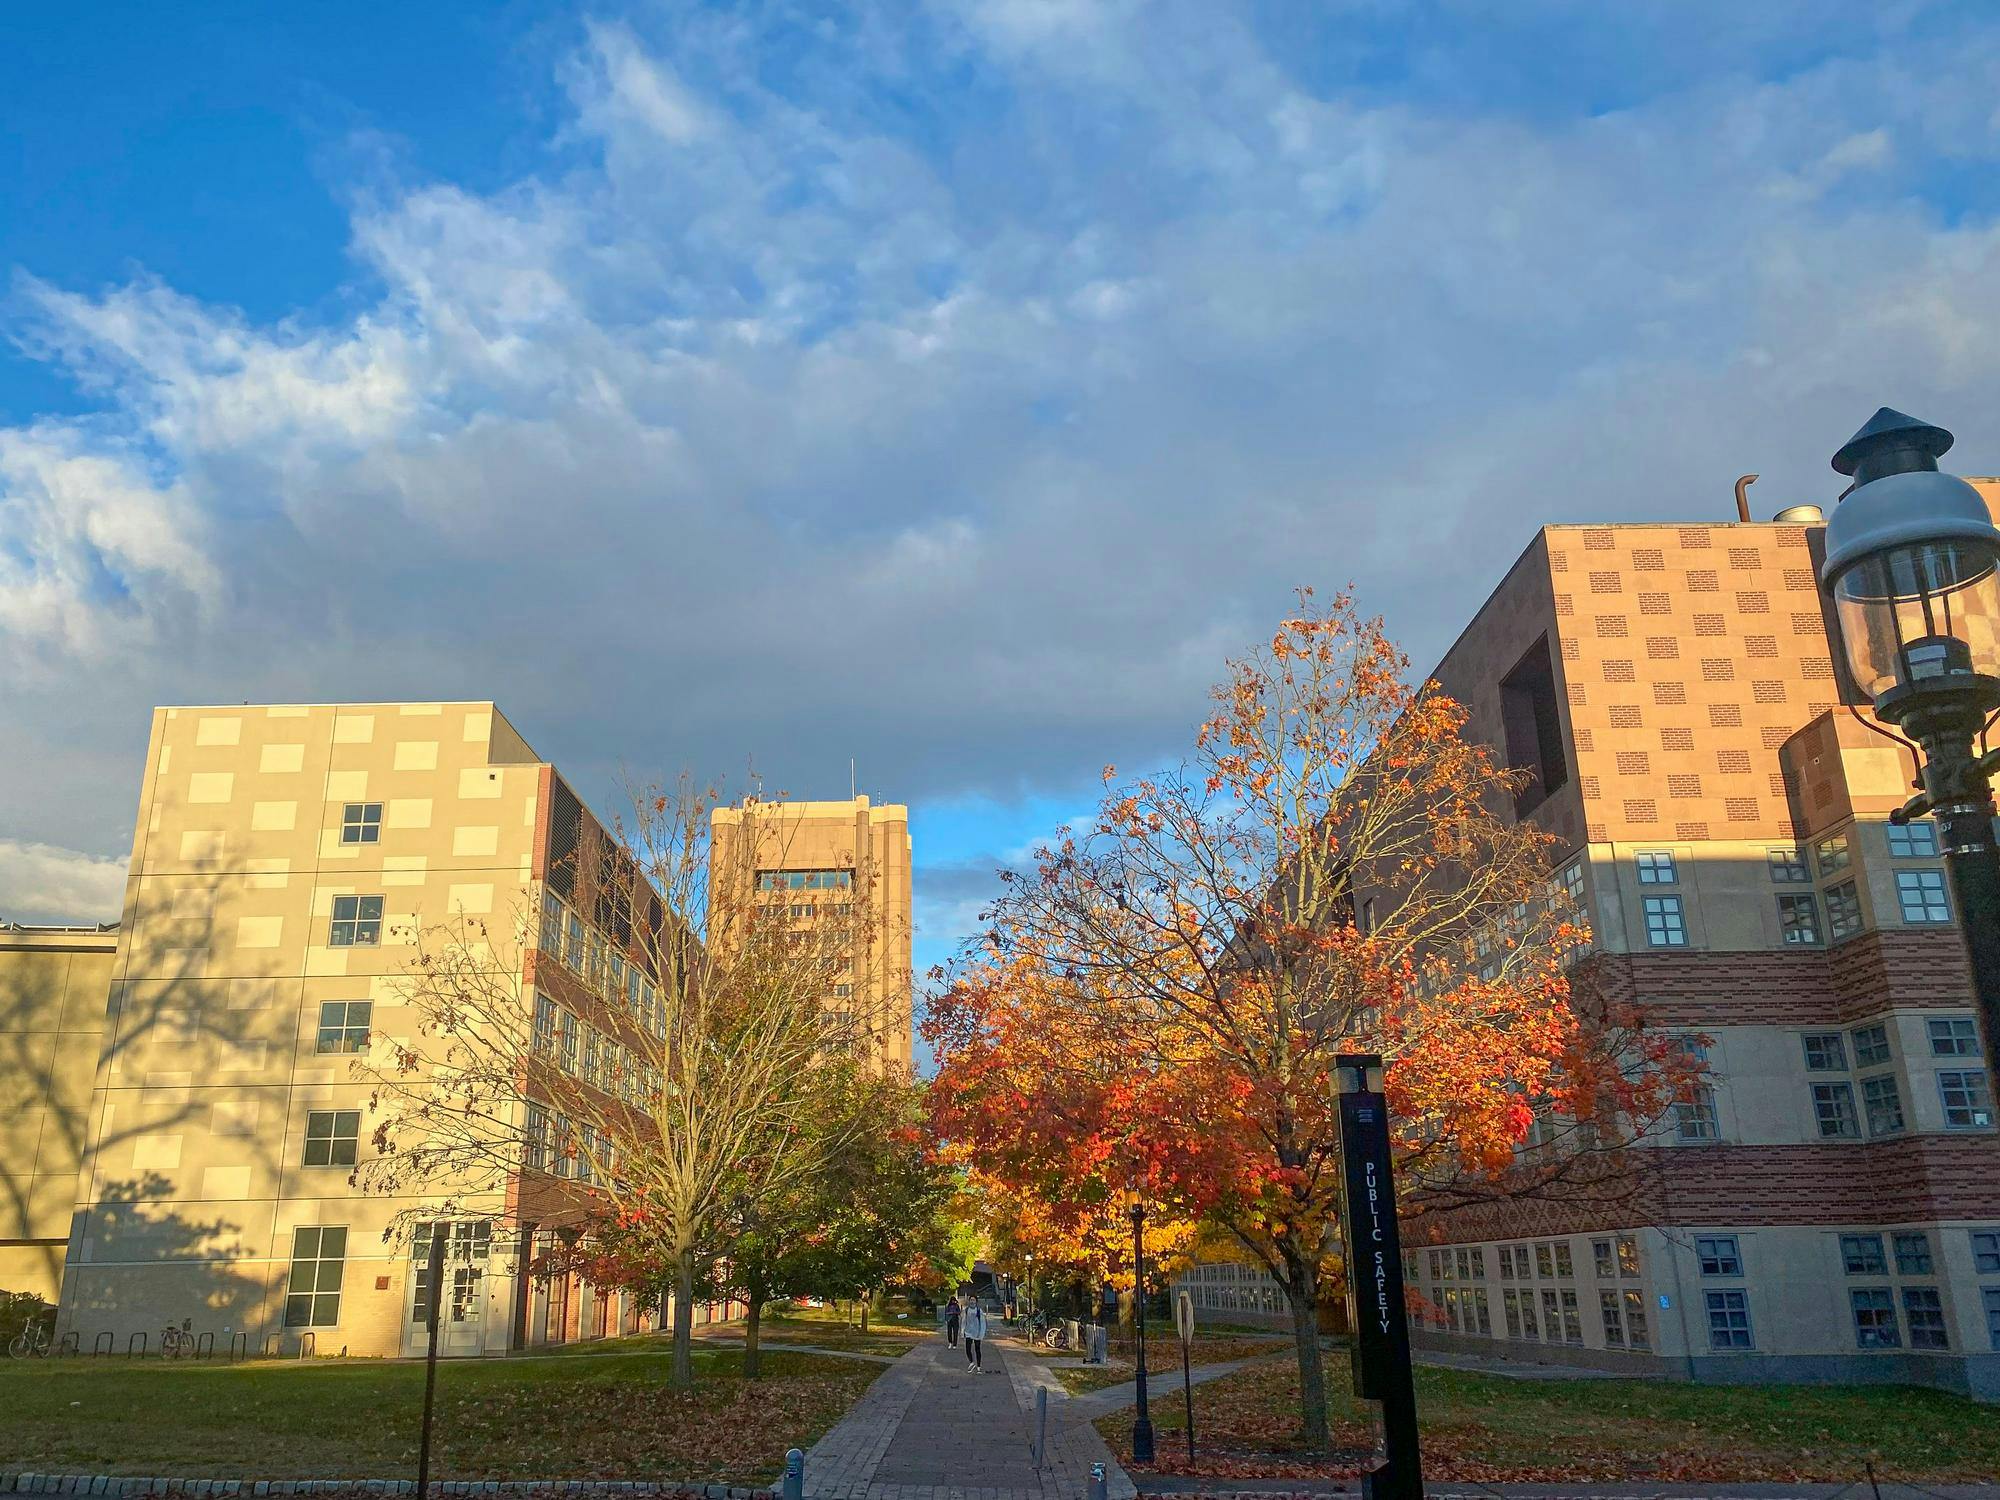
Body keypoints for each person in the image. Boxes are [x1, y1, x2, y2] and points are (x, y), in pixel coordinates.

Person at [962, 1298, 987, 1372]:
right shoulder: (966, 1310)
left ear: (976, 1301)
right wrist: (962, 1331)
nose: (972, 1301)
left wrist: (981, 1333)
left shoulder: (979, 1310)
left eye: (974, 1300)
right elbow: (964, 1321)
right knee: (967, 1349)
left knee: (977, 1349)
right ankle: (972, 1362)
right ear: (969, 1301)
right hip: (968, 1332)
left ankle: (979, 1366)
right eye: (971, 1300)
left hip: (977, 1332)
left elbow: (982, 1322)